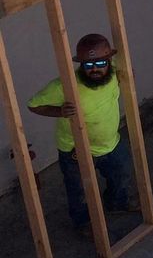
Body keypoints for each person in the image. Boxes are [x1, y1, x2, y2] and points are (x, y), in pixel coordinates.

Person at [28, 33, 136, 231]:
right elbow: (33, 105)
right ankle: (84, 223)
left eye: (100, 63)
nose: (94, 69)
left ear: (109, 60)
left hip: (110, 143)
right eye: (87, 65)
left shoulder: (114, 74)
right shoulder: (65, 86)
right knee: (80, 190)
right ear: (81, 65)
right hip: (76, 150)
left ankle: (116, 204)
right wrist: (59, 111)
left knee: (122, 174)